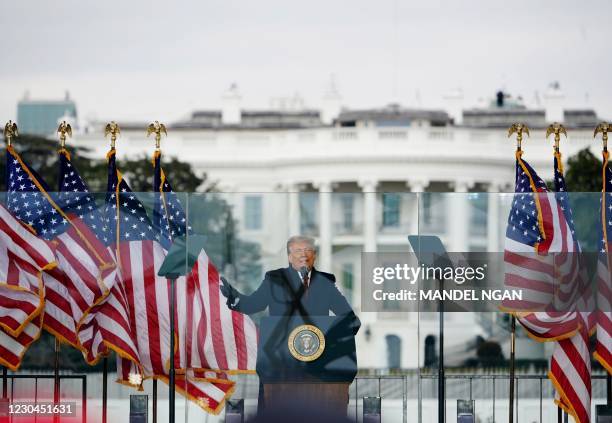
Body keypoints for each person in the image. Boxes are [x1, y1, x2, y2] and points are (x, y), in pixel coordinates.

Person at [220, 235, 360, 331]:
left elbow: (349, 319)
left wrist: (336, 336)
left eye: (308, 251)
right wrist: (234, 296)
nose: (304, 255)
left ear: (314, 256)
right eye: (298, 251)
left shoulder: (325, 283)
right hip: (283, 356)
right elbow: (253, 305)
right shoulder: (275, 279)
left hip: (317, 356)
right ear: (289, 257)